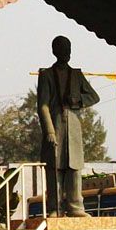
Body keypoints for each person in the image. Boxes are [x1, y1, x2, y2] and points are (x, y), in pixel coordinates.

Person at [37, 35, 100, 217]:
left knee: (74, 168)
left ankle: (75, 206)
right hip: (55, 125)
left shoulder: (77, 75)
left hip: (73, 126)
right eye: (62, 49)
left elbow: (94, 97)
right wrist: (49, 130)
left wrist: (78, 101)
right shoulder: (46, 75)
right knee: (55, 168)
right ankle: (54, 208)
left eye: (67, 49)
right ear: (55, 51)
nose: (66, 53)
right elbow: (42, 105)